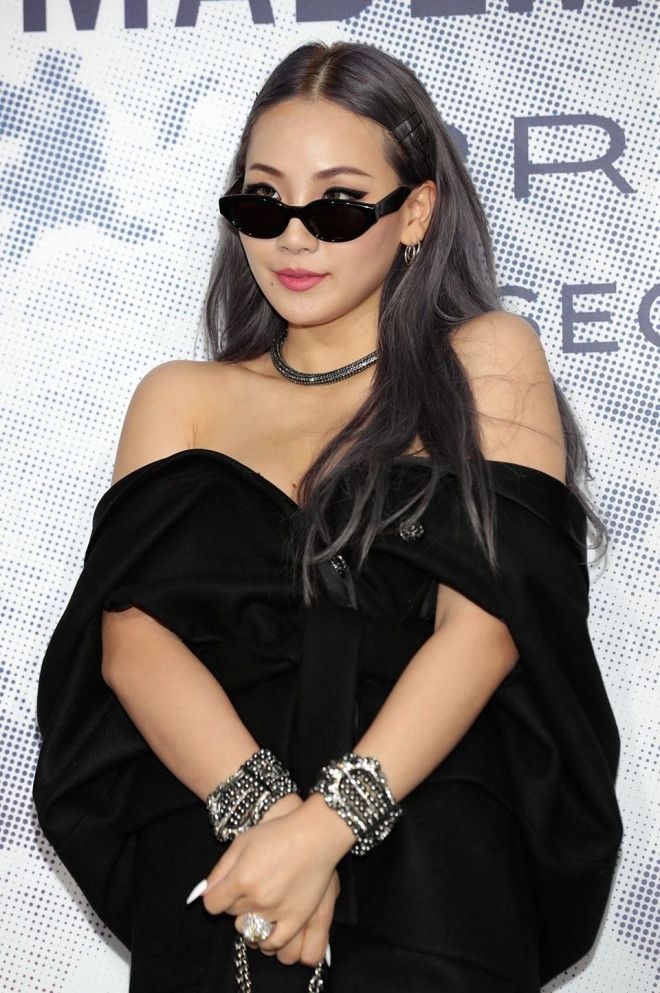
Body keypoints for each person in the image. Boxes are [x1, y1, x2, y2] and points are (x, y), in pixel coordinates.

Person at [33, 41, 622, 993]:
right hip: (225, 853)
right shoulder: (179, 398)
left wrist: (327, 827)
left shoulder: (485, 358)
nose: (294, 237)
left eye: (339, 202)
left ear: (415, 211)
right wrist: (270, 823)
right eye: (265, 201)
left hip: (429, 849)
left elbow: (487, 625)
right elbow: (130, 642)